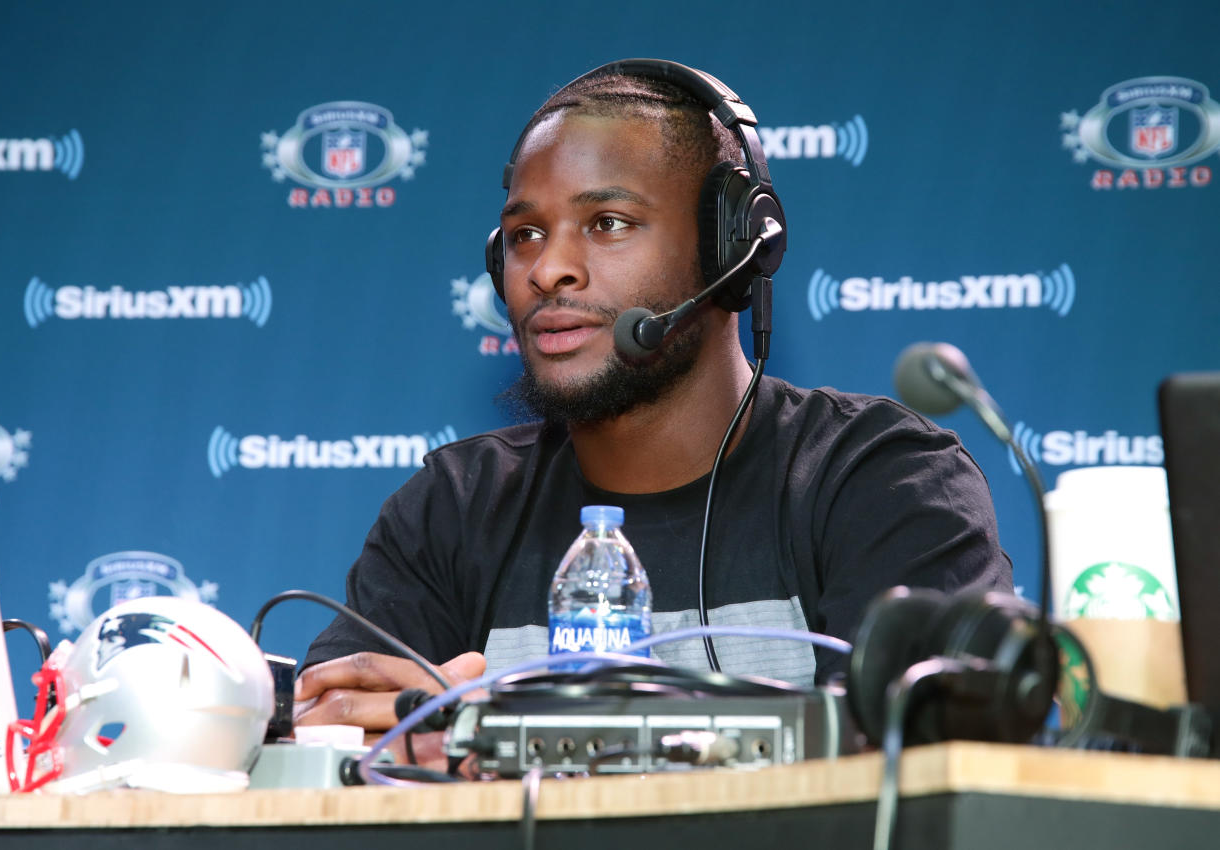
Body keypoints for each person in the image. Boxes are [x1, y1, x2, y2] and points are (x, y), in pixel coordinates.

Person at [294, 61, 1012, 759]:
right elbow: (334, 737)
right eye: (525, 236)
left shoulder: (879, 480)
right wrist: (375, 742)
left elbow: (911, 766)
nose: (547, 271)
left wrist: (500, 730)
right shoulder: (450, 509)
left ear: (732, 250)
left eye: (607, 222)